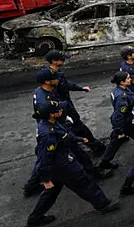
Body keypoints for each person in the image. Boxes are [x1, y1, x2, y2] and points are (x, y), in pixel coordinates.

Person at [26, 100, 119, 227]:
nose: (61, 111)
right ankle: (102, 204)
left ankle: (34, 218)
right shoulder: (48, 133)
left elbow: (64, 135)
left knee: (51, 192)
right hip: (63, 165)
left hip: (56, 166)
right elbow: (44, 156)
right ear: (52, 114)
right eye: (58, 110)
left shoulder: (48, 123)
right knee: (85, 183)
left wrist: (79, 139)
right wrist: (45, 178)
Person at [24, 69, 109, 198]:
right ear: (47, 81)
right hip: (56, 129)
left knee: (44, 157)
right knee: (73, 152)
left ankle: (31, 185)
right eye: (55, 78)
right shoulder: (44, 99)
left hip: (57, 126)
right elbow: (48, 114)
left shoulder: (43, 91)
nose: (58, 79)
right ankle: (94, 174)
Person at [45, 50, 105, 155]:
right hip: (63, 108)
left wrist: (81, 88)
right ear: (54, 61)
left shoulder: (58, 73)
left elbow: (66, 84)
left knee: (74, 128)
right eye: (61, 59)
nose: (64, 61)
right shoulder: (51, 78)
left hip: (66, 105)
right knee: (77, 127)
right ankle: (94, 147)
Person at [98, 72, 134, 171]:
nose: (130, 79)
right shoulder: (121, 96)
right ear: (122, 82)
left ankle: (105, 162)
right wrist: (120, 131)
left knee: (115, 142)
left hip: (123, 122)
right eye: (128, 78)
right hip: (126, 122)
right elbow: (119, 115)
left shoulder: (120, 90)